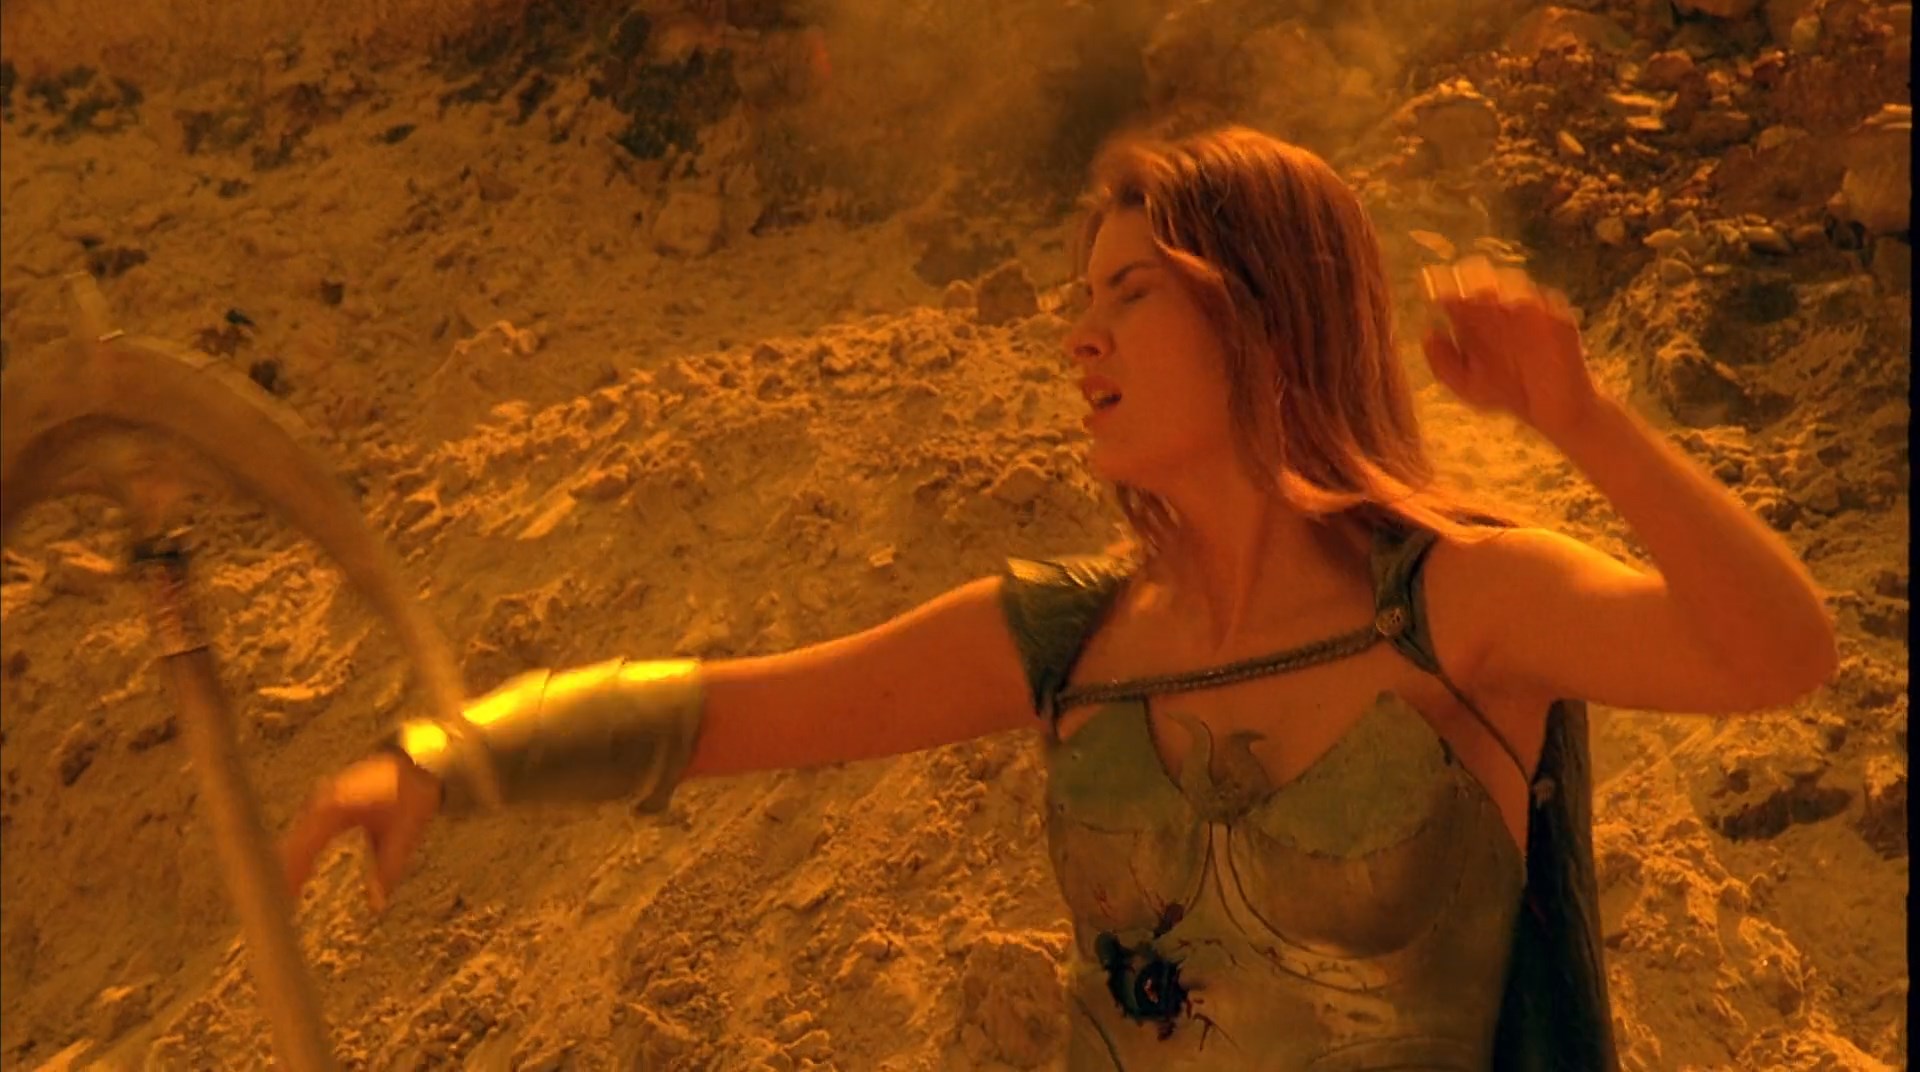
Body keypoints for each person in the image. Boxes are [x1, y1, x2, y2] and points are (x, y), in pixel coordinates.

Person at [282, 127, 1837, 1070]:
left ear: (1263, 311)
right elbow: (731, 712)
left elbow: (1777, 654)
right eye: (1076, 303)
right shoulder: (1071, 638)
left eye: (1131, 295)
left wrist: (1582, 422)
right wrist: (449, 755)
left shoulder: (1458, 602)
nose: (1080, 339)